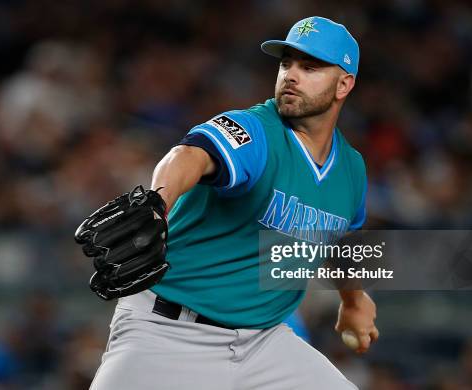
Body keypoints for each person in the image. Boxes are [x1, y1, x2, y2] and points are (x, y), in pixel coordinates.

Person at [89, 16, 378, 390]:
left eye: (309, 67)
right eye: (285, 63)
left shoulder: (351, 169)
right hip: (166, 333)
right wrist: (158, 202)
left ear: (344, 84)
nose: (291, 75)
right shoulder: (256, 130)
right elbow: (191, 156)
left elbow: (343, 242)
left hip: (264, 344)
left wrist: (354, 302)